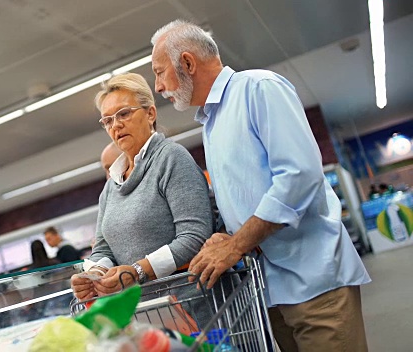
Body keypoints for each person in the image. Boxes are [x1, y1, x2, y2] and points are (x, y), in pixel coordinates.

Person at [150, 20, 371, 351]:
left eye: (159, 72)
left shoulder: (259, 88)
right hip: (272, 291)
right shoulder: (210, 123)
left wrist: (236, 243)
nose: (158, 86)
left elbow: (298, 176)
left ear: (187, 63)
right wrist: (229, 233)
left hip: (315, 281)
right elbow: (251, 195)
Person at [70, 72, 214, 324]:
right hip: (141, 314)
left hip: (191, 308)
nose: (115, 125)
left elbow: (195, 236)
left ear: (150, 114)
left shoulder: (171, 158)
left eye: (124, 114)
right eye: (107, 120)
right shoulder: (111, 186)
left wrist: (138, 271)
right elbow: (103, 249)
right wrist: (94, 274)